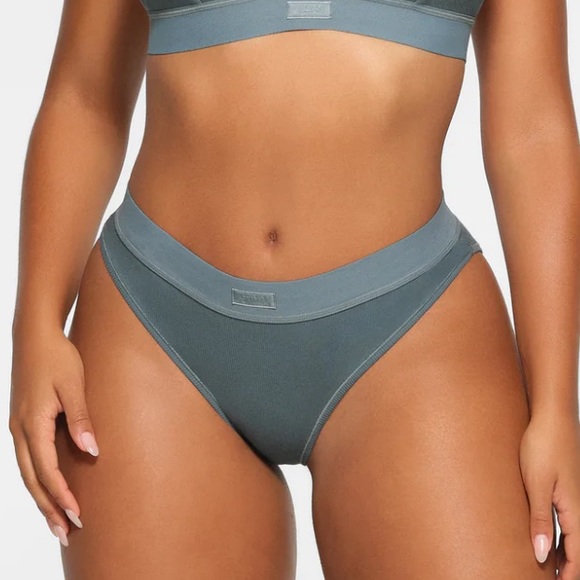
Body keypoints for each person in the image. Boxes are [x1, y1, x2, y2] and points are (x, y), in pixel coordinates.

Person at [9, 0, 579, 577]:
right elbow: (84, 96)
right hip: (156, 330)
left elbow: (532, 129)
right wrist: (34, 322)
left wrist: (557, 406)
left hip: (411, 329)